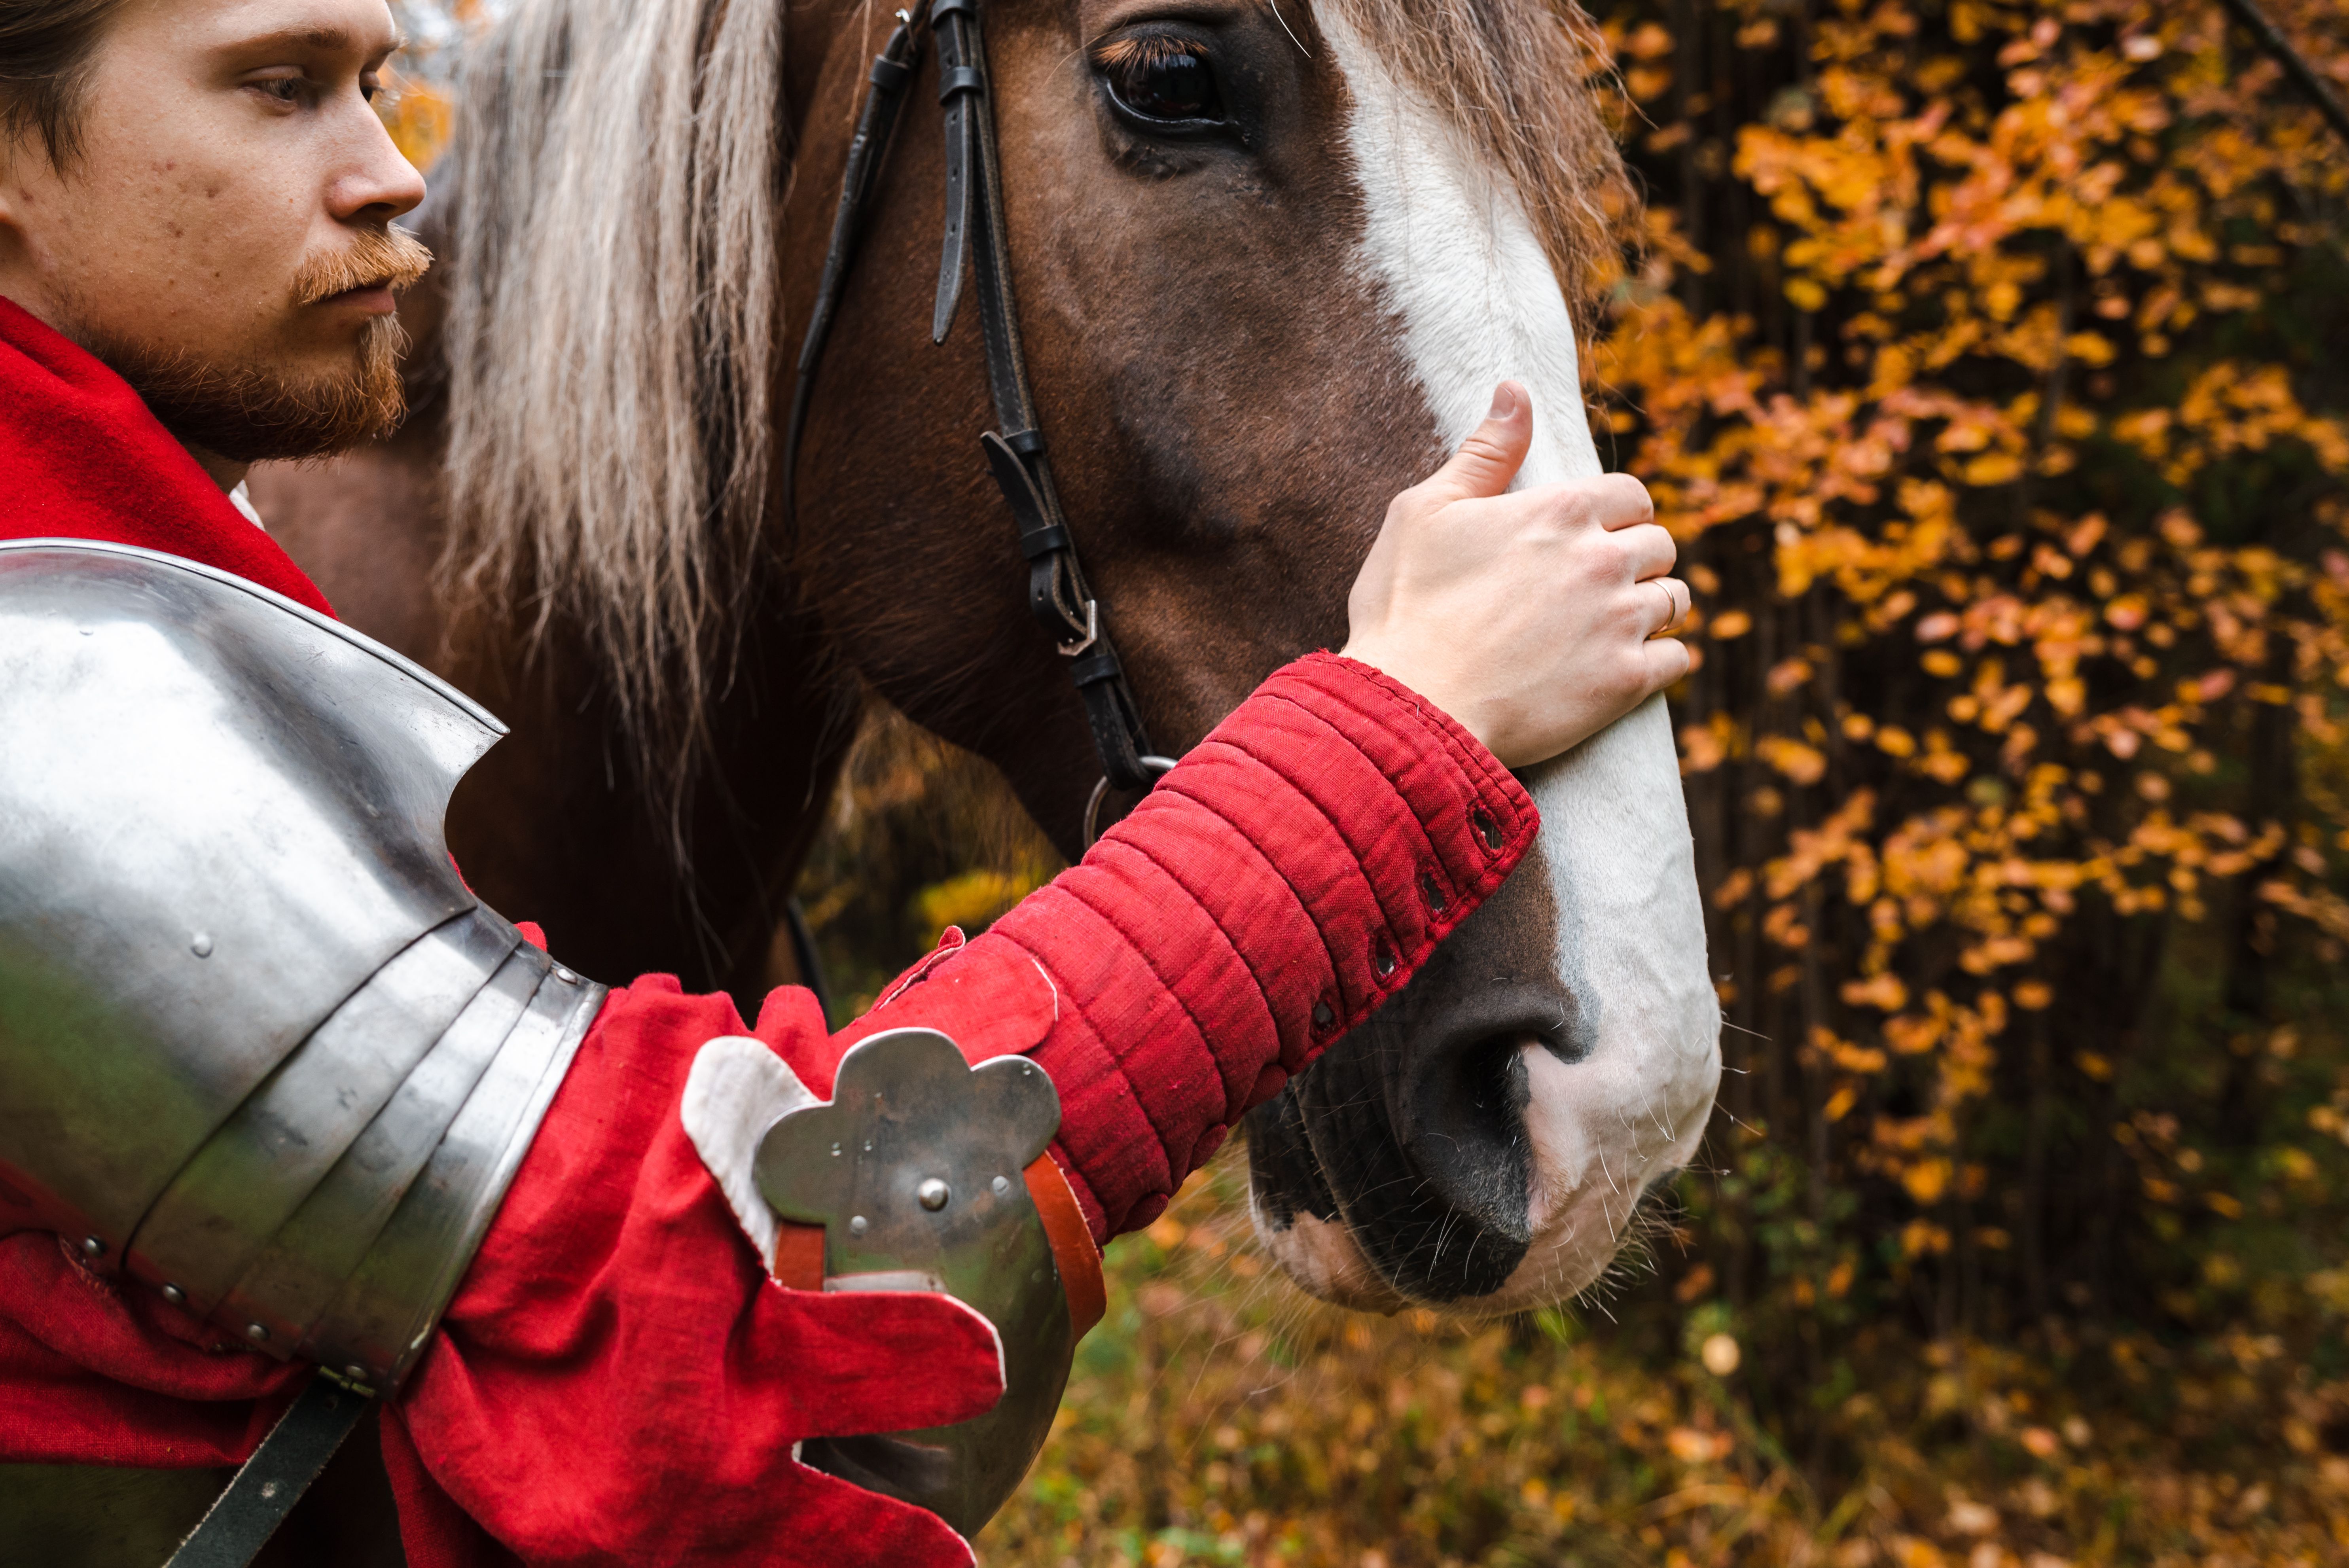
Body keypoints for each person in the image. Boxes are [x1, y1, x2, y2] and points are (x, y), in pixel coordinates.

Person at [0, 0, 1692, 1562]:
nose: (395, 174)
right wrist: (1389, 738)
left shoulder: (158, 586)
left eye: (375, 84)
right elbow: (718, 1323)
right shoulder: (41, 685)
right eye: (282, 89)